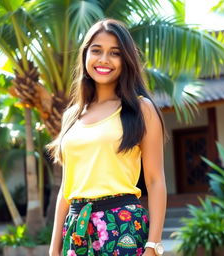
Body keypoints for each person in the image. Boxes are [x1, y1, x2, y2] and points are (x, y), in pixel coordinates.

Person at [48, 18, 167, 256]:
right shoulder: (71, 115)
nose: (104, 60)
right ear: (85, 56)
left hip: (122, 227)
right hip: (76, 231)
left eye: (115, 53)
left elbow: (155, 180)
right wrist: (54, 248)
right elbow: (67, 187)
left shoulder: (141, 109)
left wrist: (153, 245)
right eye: (96, 50)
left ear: (126, 60)